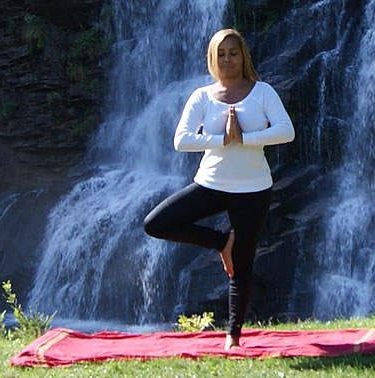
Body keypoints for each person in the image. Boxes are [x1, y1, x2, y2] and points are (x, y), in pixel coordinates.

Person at [143, 28, 294, 350]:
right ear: (212, 58)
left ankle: (233, 337)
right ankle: (222, 241)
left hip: (253, 188)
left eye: (233, 53)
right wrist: (221, 140)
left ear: (243, 57)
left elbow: (286, 131)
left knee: (242, 266)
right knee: (156, 223)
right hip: (211, 183)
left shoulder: (263, 91)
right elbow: (181, 140)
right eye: (221, 53)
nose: (227, 59)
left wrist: (246, 138)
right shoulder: (202, 96)